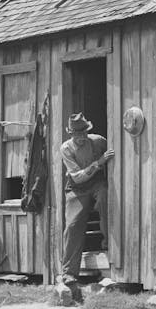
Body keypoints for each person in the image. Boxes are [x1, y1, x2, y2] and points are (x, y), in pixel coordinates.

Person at [59, 112, 115, 284]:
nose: (81, 138)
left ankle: (108, 245)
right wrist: (99, 163)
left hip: (96, 183)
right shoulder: (66, 149)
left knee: (106, 198)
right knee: (73, 224)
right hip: (77, 188)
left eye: (84, 133)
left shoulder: (98, 141)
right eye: (77, 135)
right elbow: (77, 177)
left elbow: (115, 150)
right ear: (71, 134)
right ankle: (69, 272)